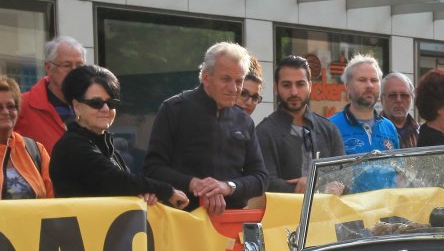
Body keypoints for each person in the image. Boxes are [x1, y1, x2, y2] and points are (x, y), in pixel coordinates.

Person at [144, 41, 269, 214]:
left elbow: (260, 178)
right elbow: (152, 169)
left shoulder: (244, 121)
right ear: (206, 77)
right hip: (182, 219)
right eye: (225, 79)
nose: (233, 88)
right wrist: (194, 184)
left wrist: (227, 187)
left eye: (239, 81)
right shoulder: (174, 109)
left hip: (232, 221)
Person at [51, 65, 187, 208]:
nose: (105, 109)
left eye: (111, 103)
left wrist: (146, 194)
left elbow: (125, 184)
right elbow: (115, 180)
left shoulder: (104, 144)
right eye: (96, 103)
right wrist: (165, 191)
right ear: (77, 106)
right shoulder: (72, 145)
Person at [256, 55, 345, 194]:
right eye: (286, 85)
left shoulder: (329, 130)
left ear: (310, 86)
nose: (294, 92)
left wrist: (319, 186)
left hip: (326, 208)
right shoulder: (263, 132)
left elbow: (344, 176)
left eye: (300, 84)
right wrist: (314, 187)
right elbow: (265, 183)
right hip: (283, 208)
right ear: (276, 88)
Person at [15, 36, 86, 149]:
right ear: (48, 67)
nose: (74, 72)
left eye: (79, 66)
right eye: (67, 65)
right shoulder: (21, 106)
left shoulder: (93, 105)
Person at [331, 55, 401, 156]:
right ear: (347, 87)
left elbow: (397, 164)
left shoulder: (389, 127)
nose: (369, 85)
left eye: (374, 80)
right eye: (362, 80)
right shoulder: (331, 127)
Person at [380, 72, 418, 148]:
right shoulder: (372, 132)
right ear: (381, 99)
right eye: (392, 95)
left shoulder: (421, 132)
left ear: (412, 98)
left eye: (404, 95)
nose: (398, 100)